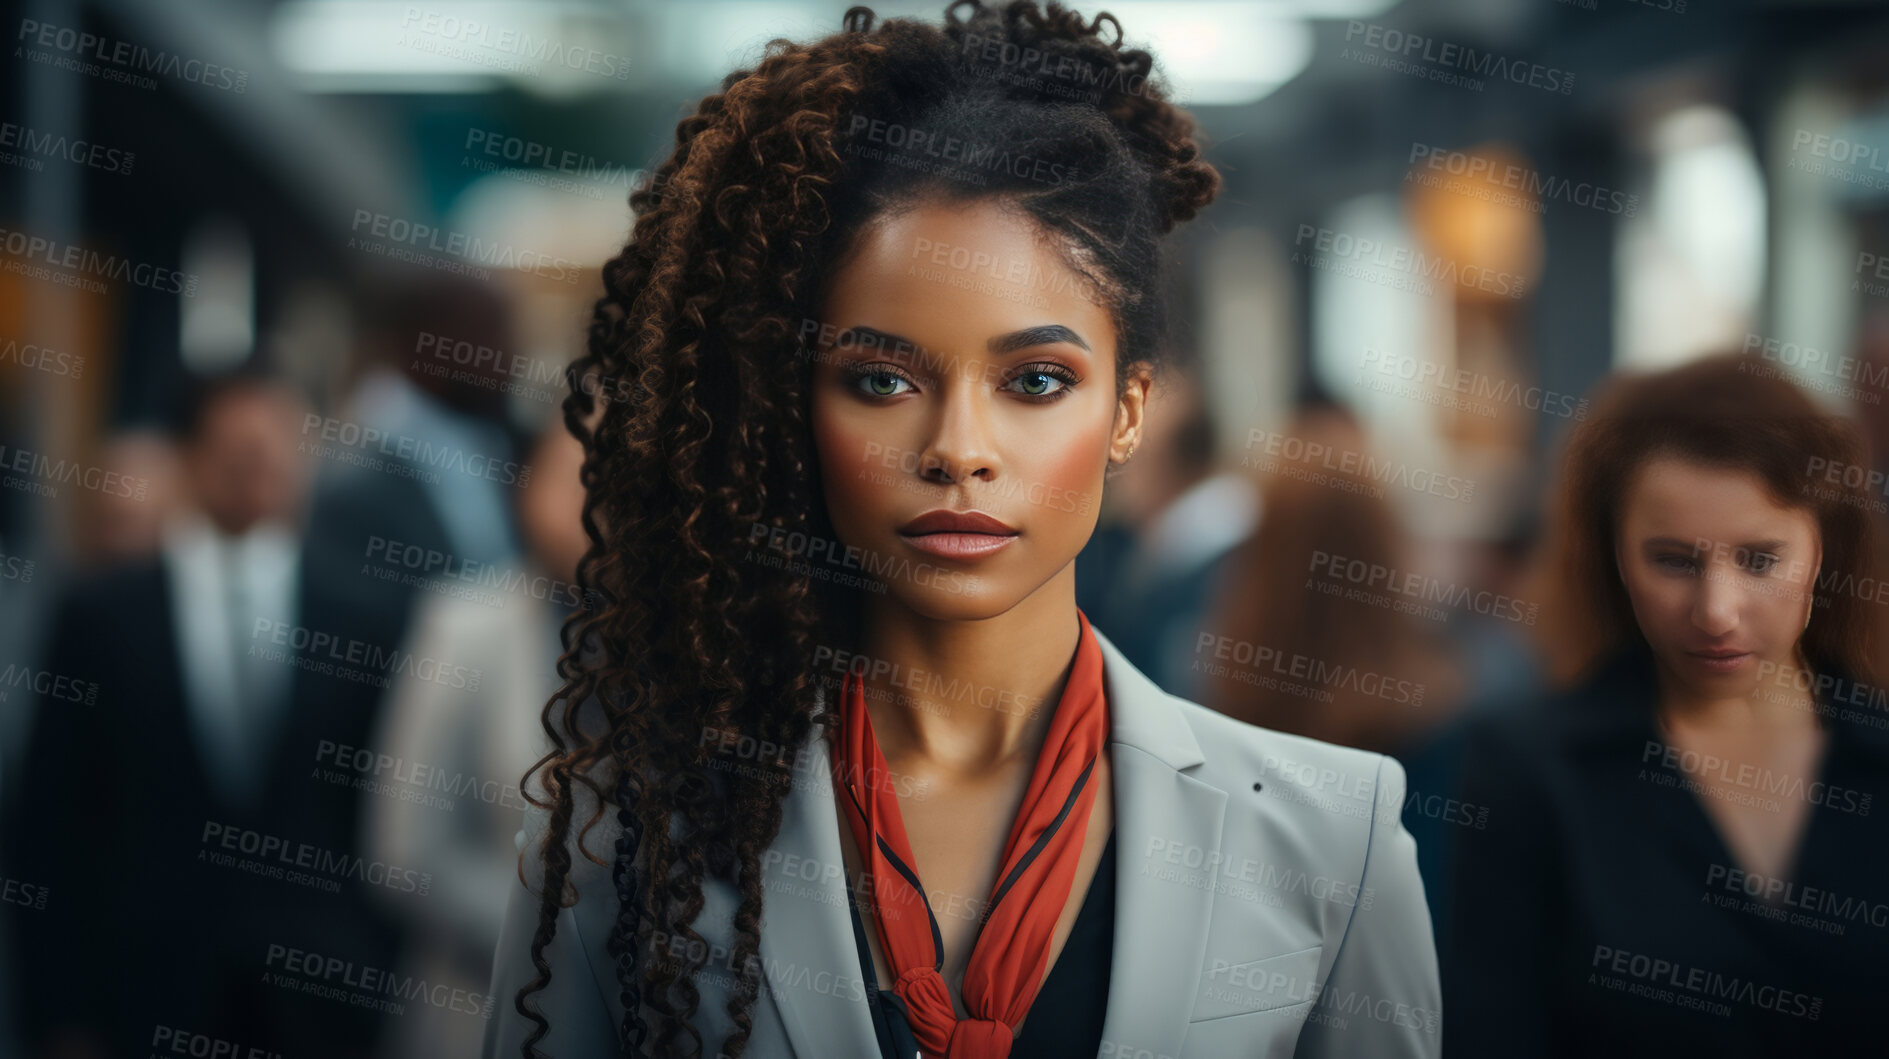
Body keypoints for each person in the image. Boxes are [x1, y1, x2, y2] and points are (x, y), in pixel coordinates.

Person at [484, 4, 1441, 1058]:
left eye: (1035, 381)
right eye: (880, 380)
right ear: (792, 407)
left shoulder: (1324, 838)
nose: (957, 448)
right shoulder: (625, 826)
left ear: (1127, 411)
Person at [1442, 351, 1889, 1056]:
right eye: (1673, 559)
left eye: (1759, 559)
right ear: (1612, 556)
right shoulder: (1529, 767)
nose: (1715, 610)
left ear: (1825, 549)